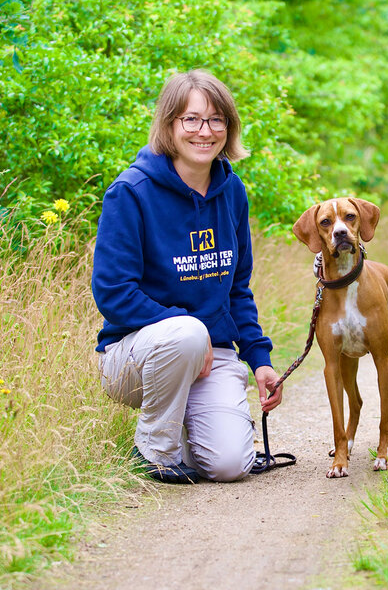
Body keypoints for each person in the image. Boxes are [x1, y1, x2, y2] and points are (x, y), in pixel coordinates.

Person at [91, 70, 283, 484]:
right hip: (136, 359)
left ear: (228, 129)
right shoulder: (131, 192)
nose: (205, 131)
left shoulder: (232, 192)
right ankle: (156, 449)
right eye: (191, 119)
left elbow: (237, 288)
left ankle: (184, 432)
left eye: (217, 120)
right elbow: (112, 293)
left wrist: (259, 359)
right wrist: (188, 329)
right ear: (169, 124)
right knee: (187, 335)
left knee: (231, 465)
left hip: (211, 357)